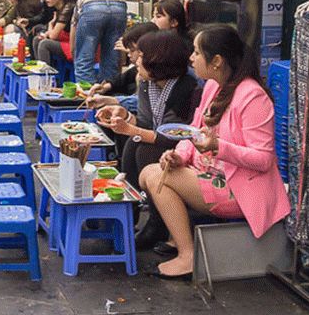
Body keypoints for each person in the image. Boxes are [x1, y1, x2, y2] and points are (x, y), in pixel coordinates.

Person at [138, 25, 290, 278]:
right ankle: (181, 245)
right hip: (209, 174)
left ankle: (187, 256)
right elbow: (194, 131)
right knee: (153, 171)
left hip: (240, 188)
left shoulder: (253, 97)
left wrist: (219, 147)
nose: (191, 58)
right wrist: (179, 155)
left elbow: (263, 159)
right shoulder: (212, 87)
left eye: (197, 52)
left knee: (154, 176)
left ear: (217, 61)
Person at [96, 30, 199, 248]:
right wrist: (123, 115)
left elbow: (171, 135)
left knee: (142, 148)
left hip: (182, 146)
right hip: (156, 137)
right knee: (134, 143)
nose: (137, 60)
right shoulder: (146, 84)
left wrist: (129, 128)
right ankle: (128, 209)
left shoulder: (186, 88)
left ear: (159, 62)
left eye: (142, 55)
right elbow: (144, 122)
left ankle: (157, 221)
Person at [87, 22, 158, 109]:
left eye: (132, 50)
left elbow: (144, 105)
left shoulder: (152, 78)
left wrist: (113, 101)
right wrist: (106, 86)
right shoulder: (139, 72)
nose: (128, 54)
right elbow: (126, 77)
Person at [71, 0, 128, 84]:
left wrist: (75, 53)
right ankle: (109, 92)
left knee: (84, 60)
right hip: (119, 6)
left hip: (93, 6)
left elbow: (73, 28)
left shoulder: (80, 3)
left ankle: (88, 94)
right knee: (112, 58)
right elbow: (120, 43)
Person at [32, 0, 75, 65]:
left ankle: (45, 74)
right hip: (64, 41)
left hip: (73, 45)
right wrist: (47, 33)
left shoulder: (68, 8)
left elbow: (53, 36)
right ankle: (40, 68)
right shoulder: (59, 8)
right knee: (37, 39)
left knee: (44, 44)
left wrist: (51, 24)